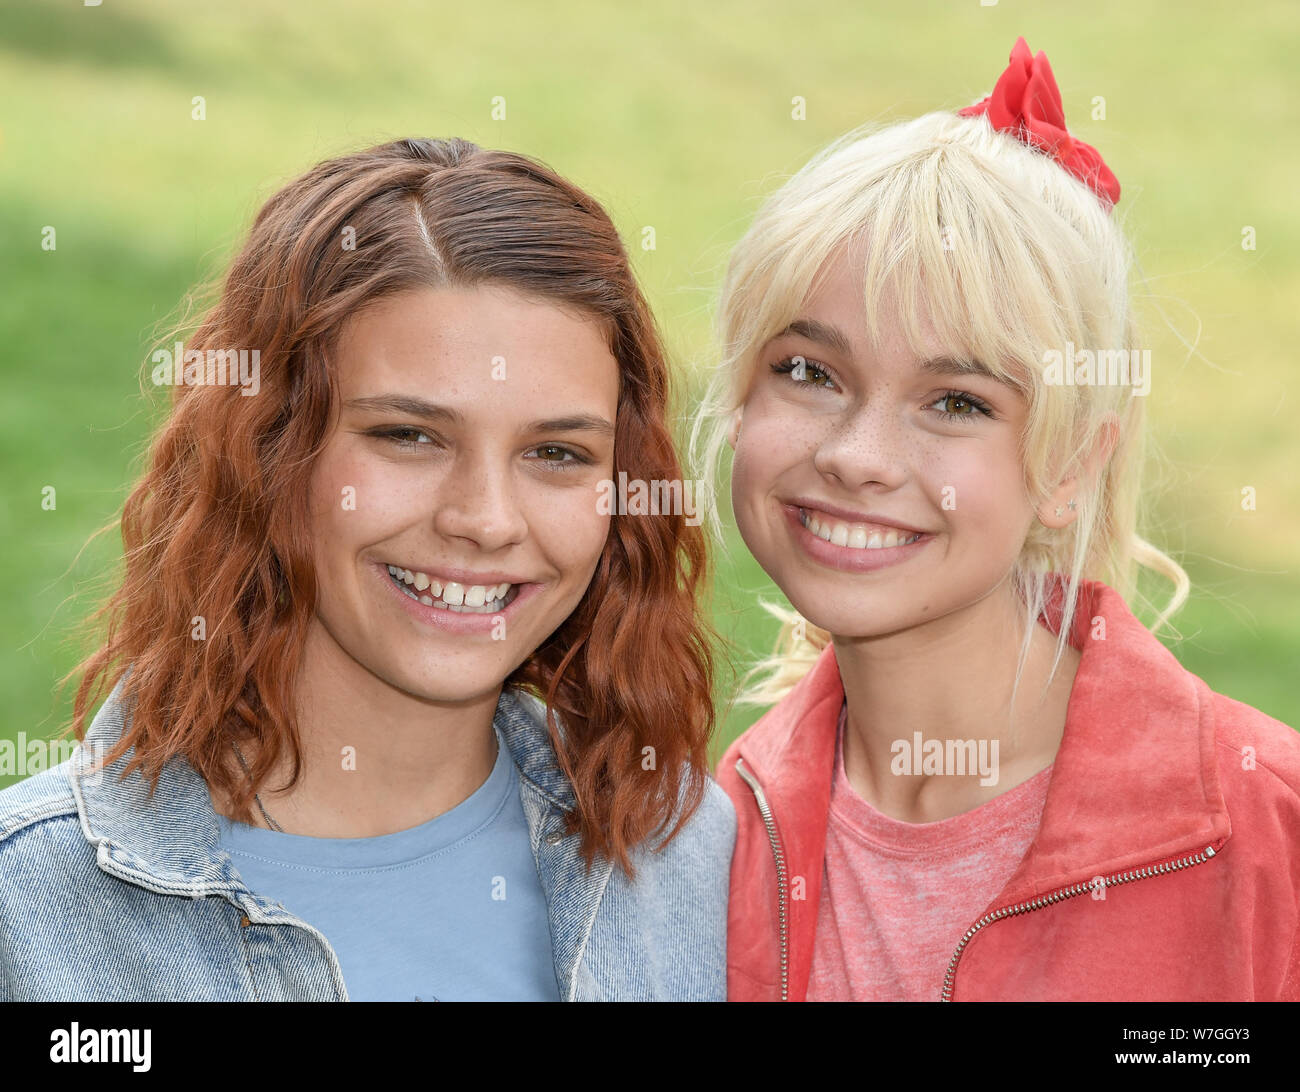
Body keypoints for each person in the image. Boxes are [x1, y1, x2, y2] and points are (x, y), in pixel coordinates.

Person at [0, 137, 734, 1002]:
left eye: (557, 453)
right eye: (409, 436)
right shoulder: (29, 914)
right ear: (267, 451)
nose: (485, 520)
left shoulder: (684, 854)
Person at [695, 38, 1300, 1001]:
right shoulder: (709, 844)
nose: (857, 455)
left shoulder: (1270, 828)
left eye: (957, 402)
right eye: (809, 373)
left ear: (1067, 465)